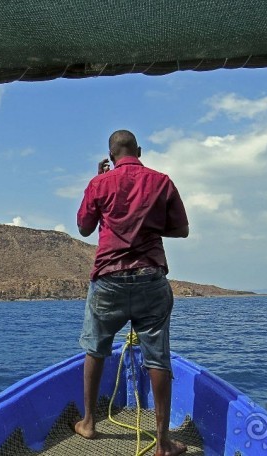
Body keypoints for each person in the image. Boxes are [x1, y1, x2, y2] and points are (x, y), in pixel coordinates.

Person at [74, 130, 189, 456]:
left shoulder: (100, 184)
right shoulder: (162, 181)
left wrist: (98, 186)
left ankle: (89, 423)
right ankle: (163, 443)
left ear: (111, 157)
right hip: (151, 278)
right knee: (157, 357)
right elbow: (182, 229)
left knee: (95, 349)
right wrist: (149, 225)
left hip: (108, 280)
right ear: (138, 150)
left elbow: (84, 226)